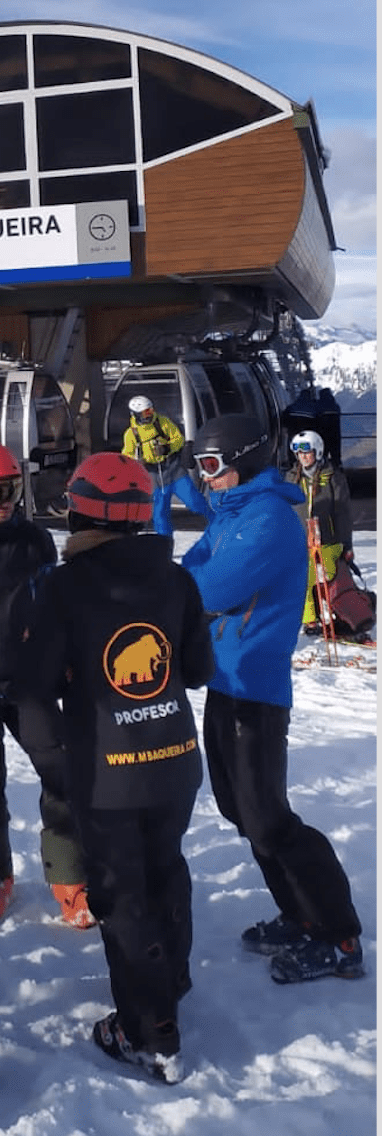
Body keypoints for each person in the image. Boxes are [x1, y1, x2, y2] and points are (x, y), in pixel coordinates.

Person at [24, 452, 214, 1085]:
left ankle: (150, 1035)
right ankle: (170, 981)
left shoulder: (66, 585)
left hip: (106, 770)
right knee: (166, 870)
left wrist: (55, 754)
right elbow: (197, 670)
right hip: (174, 760)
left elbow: (35, 684)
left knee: (122, 893)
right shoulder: (177, 578)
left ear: (79, 511)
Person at [182, 413, 364, 984]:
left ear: (244, 462)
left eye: (212, 466)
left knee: (269, 818)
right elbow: (194, 566)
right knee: (242, 811)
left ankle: (338, 935)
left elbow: (206, 587)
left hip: (256, 689)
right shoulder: (234, 513)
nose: (205, 478)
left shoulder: (266, 519)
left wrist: (202, 582)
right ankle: (299, 913)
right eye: (200, 466)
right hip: (225, 681)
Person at [0, 441, 92, 928]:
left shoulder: (35, 541)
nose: (5, 500)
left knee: (61, 772)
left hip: (29, 678)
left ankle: (70, 879)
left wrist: (63, 655)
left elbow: (56, 604)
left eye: (12, 488)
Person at [283, 429, 354, 635]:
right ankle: (310, 621)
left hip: (329, 539)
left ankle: (341, 615)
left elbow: (343, 513)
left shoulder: (332, 477)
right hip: (301, 540)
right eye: (299, 453)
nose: (303, 457)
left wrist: (346, 544)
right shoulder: (291, 478)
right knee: (303, 581)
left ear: (318, 452)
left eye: (307, 452)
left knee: (331, 579)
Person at [121, 396, 210, 537]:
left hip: (174, 470)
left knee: (195, 501)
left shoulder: (162, 422)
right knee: (160, 514)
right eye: (145, 413)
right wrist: (137, 462)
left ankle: (219, 523)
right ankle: (165, 545)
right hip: (153, 476)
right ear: (137, 414)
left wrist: (167, 448)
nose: (149, 414)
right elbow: (127, 456)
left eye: (150, 410)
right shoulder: (131, 434)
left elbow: (179, 439)